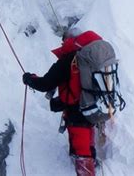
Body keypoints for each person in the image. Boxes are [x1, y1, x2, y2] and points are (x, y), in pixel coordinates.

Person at [23, 29, 102, 176]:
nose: (62, 43)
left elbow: (45, 83)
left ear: (69, 40)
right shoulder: (91, 56)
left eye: (63, 40)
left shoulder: (69, 60)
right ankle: (92, 161)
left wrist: (29, 79)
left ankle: (87, 170)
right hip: (93, 106)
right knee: (86, 140)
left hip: (77, 111)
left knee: (81, 150)